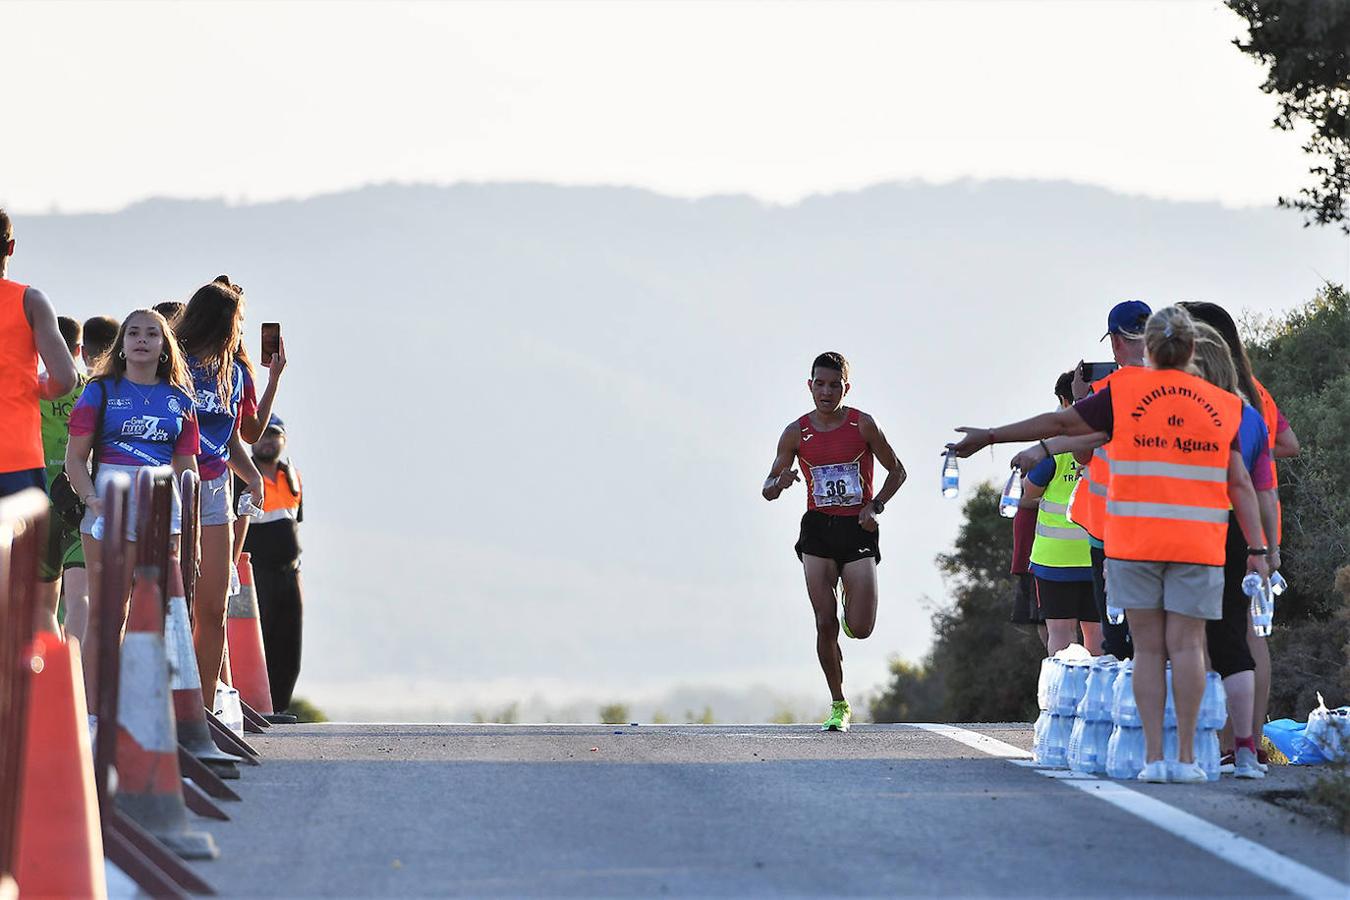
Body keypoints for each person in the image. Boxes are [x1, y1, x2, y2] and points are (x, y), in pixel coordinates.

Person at [950, 306, 1269, 783]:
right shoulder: (1220, 403)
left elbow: (1061, 425)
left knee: (1145, 650)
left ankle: (1155, 759)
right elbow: (1242, 484)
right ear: (1191, 349)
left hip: (1134, 543)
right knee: (1186, 648)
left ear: (1151, 347)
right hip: (1198, 544)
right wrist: (1260, 551)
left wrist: (991, 436)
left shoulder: (1125, 391)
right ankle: (1185, 759)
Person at [1178, 300, 1296, 767]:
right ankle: (1250, 738)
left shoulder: (1198, 395)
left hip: (1214, 519)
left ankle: (1215, 739)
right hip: (1259, 525)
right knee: (1249, 634)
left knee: (1202, 635)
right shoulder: (1255, 393)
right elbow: (1288, 443)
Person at [762, 352, 908, 731]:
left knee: (860, 628)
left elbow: (898, 471)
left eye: (834, 385)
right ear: (809, 386)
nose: (826, 392)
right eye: (820, 384)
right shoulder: (796, 432)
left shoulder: (863, 425)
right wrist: (779, 482)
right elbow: (767, 488)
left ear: (846, 387)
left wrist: (875, 506)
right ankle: (839, 703)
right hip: (818, 531)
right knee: (823, 622)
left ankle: (850, 603)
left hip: (857, 530)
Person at [64, 309, 200, 709]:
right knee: (108, 615)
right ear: (121, 344)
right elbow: (75, 459)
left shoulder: (180, 400)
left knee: (160, 613)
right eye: (134, 333)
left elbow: (187, 469)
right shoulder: (99, 391)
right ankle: (93, 710)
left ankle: (151, 710)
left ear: (164, 346)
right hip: (107, 510)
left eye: (152, 334)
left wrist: (190, 529)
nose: (142, 340)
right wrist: (92, 499)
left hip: (165, 512)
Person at [175, 276, 266, 707]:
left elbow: (248, 432)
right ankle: (163, 705)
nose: (243, 331)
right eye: (240, 322)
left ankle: (204, 709)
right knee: (173, 605)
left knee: (213, 608)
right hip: (170, 485)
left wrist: (274, 377)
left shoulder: (239, 372)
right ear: (220, 322)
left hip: (214, 490)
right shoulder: (174, 362)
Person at [1068, 299, 1151, 660]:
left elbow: (1081, 452)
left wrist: (1077, 402)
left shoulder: (1106, 392)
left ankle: (1127, 709)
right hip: (1165, 527)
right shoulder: (1183, 387)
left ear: (1116, 343)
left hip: (1107, 529)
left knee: (1116, 635)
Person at [0, 207, 79, 500]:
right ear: (10, 247)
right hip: (17, 455)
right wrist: (36, 388)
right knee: (21, 545)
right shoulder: (30, 300)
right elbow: (65, 378)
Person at [1022, 372, 1100, 655]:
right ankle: (1098, 697)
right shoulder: (1106, 438)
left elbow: (1029, 491)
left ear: (1064, 401)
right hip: (1097, 551)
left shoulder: (1054, 444)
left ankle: (1065, 697)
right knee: (1098, 635)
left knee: (1060, 634)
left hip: (1054, 559)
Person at [238, 415, 305, 713]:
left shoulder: (292, 477)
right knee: (258, 642)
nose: (266, 441)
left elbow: (294, 522)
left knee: (288, 646)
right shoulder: (242, 476)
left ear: (284, 440)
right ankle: (256, 706)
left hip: (289, 574)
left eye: (273, 435)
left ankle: (279, 707)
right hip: (256, 573)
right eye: (261, 435)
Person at [36, 317, 90, 637]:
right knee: (80, 596)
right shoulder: (93, 391)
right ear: (79, 349)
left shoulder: (30, 391)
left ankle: (58, 681)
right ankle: (79, 676)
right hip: (83, 497)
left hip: (40, 501)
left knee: (45, 606)